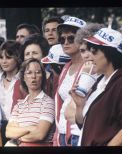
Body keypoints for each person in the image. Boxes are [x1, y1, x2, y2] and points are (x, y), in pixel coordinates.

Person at [70, 28, 122, 146]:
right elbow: (86, 125)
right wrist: (80, 106)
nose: (90, 56)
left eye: (94, 51)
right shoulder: (100, 82)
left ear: (110, 53)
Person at [64, 23, 105, 130]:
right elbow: (71, 116)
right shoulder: (87, 76)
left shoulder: (116, 78)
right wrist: (79, 106)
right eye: (82, 51)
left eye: (91, 49)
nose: (86, 55)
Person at [6, 58, 55, 146]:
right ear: (23, 77)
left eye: (38, 72)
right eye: (29, 73)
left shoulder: (48, 102)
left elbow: (40, 135)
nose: (34, 76)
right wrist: (30, 128)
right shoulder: (19, 105)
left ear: (43, 76)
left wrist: (18, 136)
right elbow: (8, 132)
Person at [53, 16, 86, 146]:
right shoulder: (66, 67)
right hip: (61, 133)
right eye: (62, 39)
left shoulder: (90, 67)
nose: (65, 42)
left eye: (71, 38)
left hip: (77, 134)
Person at [0, 40, 22, 145]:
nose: (4, 61)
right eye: (1, 57)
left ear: (18, 58)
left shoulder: (24, 80)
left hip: (17, 128)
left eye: (8, 57)